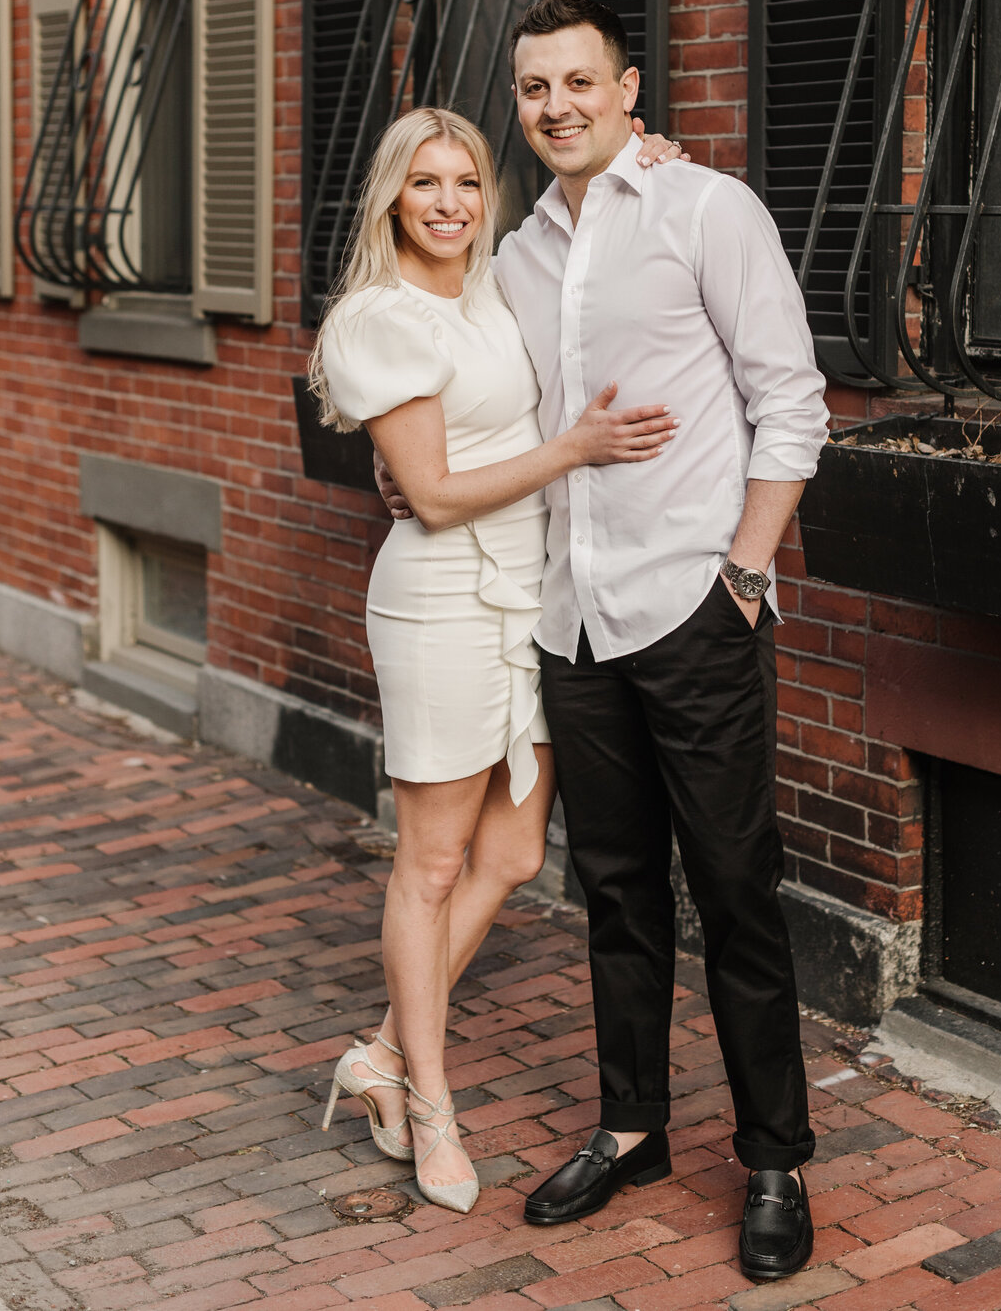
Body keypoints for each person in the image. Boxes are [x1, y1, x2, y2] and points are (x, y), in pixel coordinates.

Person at [382, 0, 829, 1280]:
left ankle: (773, 1156)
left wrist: (745, 572)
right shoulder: (514, 255)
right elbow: (452, 379)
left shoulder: (708, 209)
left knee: (736, 890)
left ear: (629, 90)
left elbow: (787, 399)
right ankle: (632, 1125)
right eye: (534, 89)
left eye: (581, 81)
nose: (557, 106)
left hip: (693, 603)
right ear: (518, 105)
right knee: (616, 892)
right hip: (570, 621)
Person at [307, 105, 681, 1214]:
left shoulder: (493, 282)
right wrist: (571, 450)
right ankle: (430, 1104)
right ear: (392, 197)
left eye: (466, 180)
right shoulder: (378, 319)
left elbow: (591, 210)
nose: (449, 202)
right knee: (429, 863)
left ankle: (378, 1052)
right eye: (425, 183)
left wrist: (642, 153)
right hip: (440, 604)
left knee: (515, 852)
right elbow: (424, 494)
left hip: (530, 594)